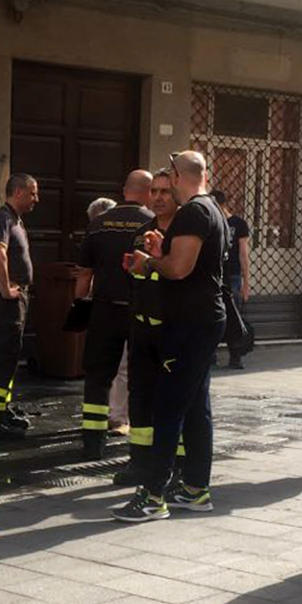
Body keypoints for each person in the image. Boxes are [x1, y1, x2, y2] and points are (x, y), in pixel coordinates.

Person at [115, 151, 227, 522]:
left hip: (190, 323)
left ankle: (152, 495)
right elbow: (191, 263)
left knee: (167, 406)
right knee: (196, 406)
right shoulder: (213, 210)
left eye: (169, 180)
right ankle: (196, 488)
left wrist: (150, 263)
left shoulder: (194, 212)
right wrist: (162, 251)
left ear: (180, 176)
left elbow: (178, 269)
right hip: (204, 319)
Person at [76, 170, 154, 460]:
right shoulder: (153, 223)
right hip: (139, 311)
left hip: (104, 310)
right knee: (140, 377)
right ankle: (140, 447)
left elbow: (84, 274)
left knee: (97, 377)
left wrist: (79, 306)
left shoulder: (98, 224)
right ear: (147, 192)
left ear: (124, 190)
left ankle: (92, 442)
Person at [116, 168, 178, 486]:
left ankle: (177, 465)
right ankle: (139, 463)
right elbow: (133, 277)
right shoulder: (141, 232)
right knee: (139, 397)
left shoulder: (184, 236)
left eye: (165, 191)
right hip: (141, 328)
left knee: (171, 401)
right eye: (154, 191)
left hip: (172, 330)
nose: (158, 197)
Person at [0, 174, 38, 440]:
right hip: (8, 299)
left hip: (17, 297)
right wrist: (5, 289)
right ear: (17, 192)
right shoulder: (2, 218)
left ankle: (1, 409)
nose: (36, 199)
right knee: (3, 356)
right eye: (32, 193)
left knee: (10, 356)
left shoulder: (15, 219)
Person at [85, 197, 128, 436]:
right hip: (115, 307)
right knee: (117, 367)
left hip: (112, 308)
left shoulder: (100, 232)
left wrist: (80, 301)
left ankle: (116, 417)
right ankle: (113, 416)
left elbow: (86, 272)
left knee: (117, 368)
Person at [211, 189, 252, 369]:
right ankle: (211, 355)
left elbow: (243, 254)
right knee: (211, 315)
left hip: (232, 276)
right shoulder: (211, 222)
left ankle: (235, 356)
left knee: (233, 316)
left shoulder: (238, 224)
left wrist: (246, 283)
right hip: (215, 276)